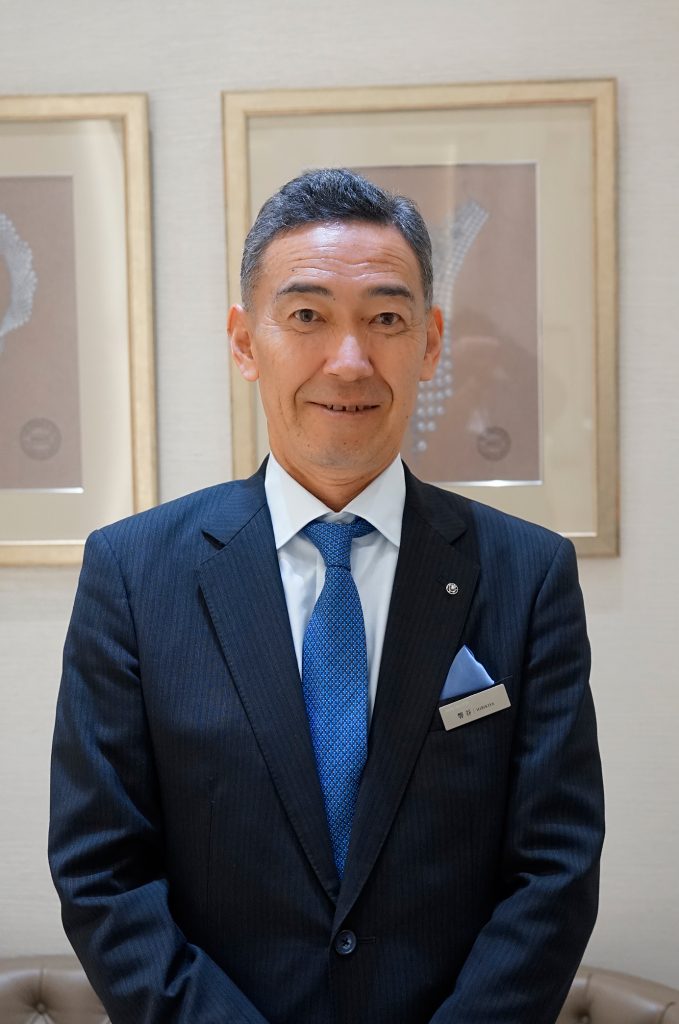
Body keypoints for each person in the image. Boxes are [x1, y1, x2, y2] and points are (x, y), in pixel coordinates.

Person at [49, 168, 604, 1024]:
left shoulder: (526, 574)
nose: (349, 361)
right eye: (306, 316)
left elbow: (554, 869)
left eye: (385, 319)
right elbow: (102, 871)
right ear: (245, 342)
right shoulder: (133, 572)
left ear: (429, 343)